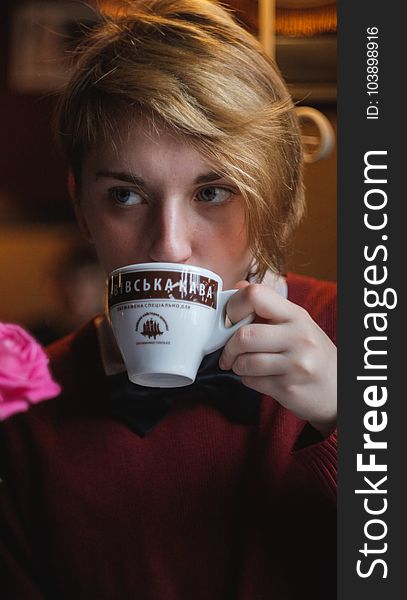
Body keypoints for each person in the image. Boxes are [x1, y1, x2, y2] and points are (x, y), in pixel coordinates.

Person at [0, 1, 337, 598]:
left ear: (273, 197)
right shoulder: (25, 411)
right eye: (125, 196)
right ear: (81, 206)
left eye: (212, 191)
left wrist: (355, 425)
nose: (170, 245)